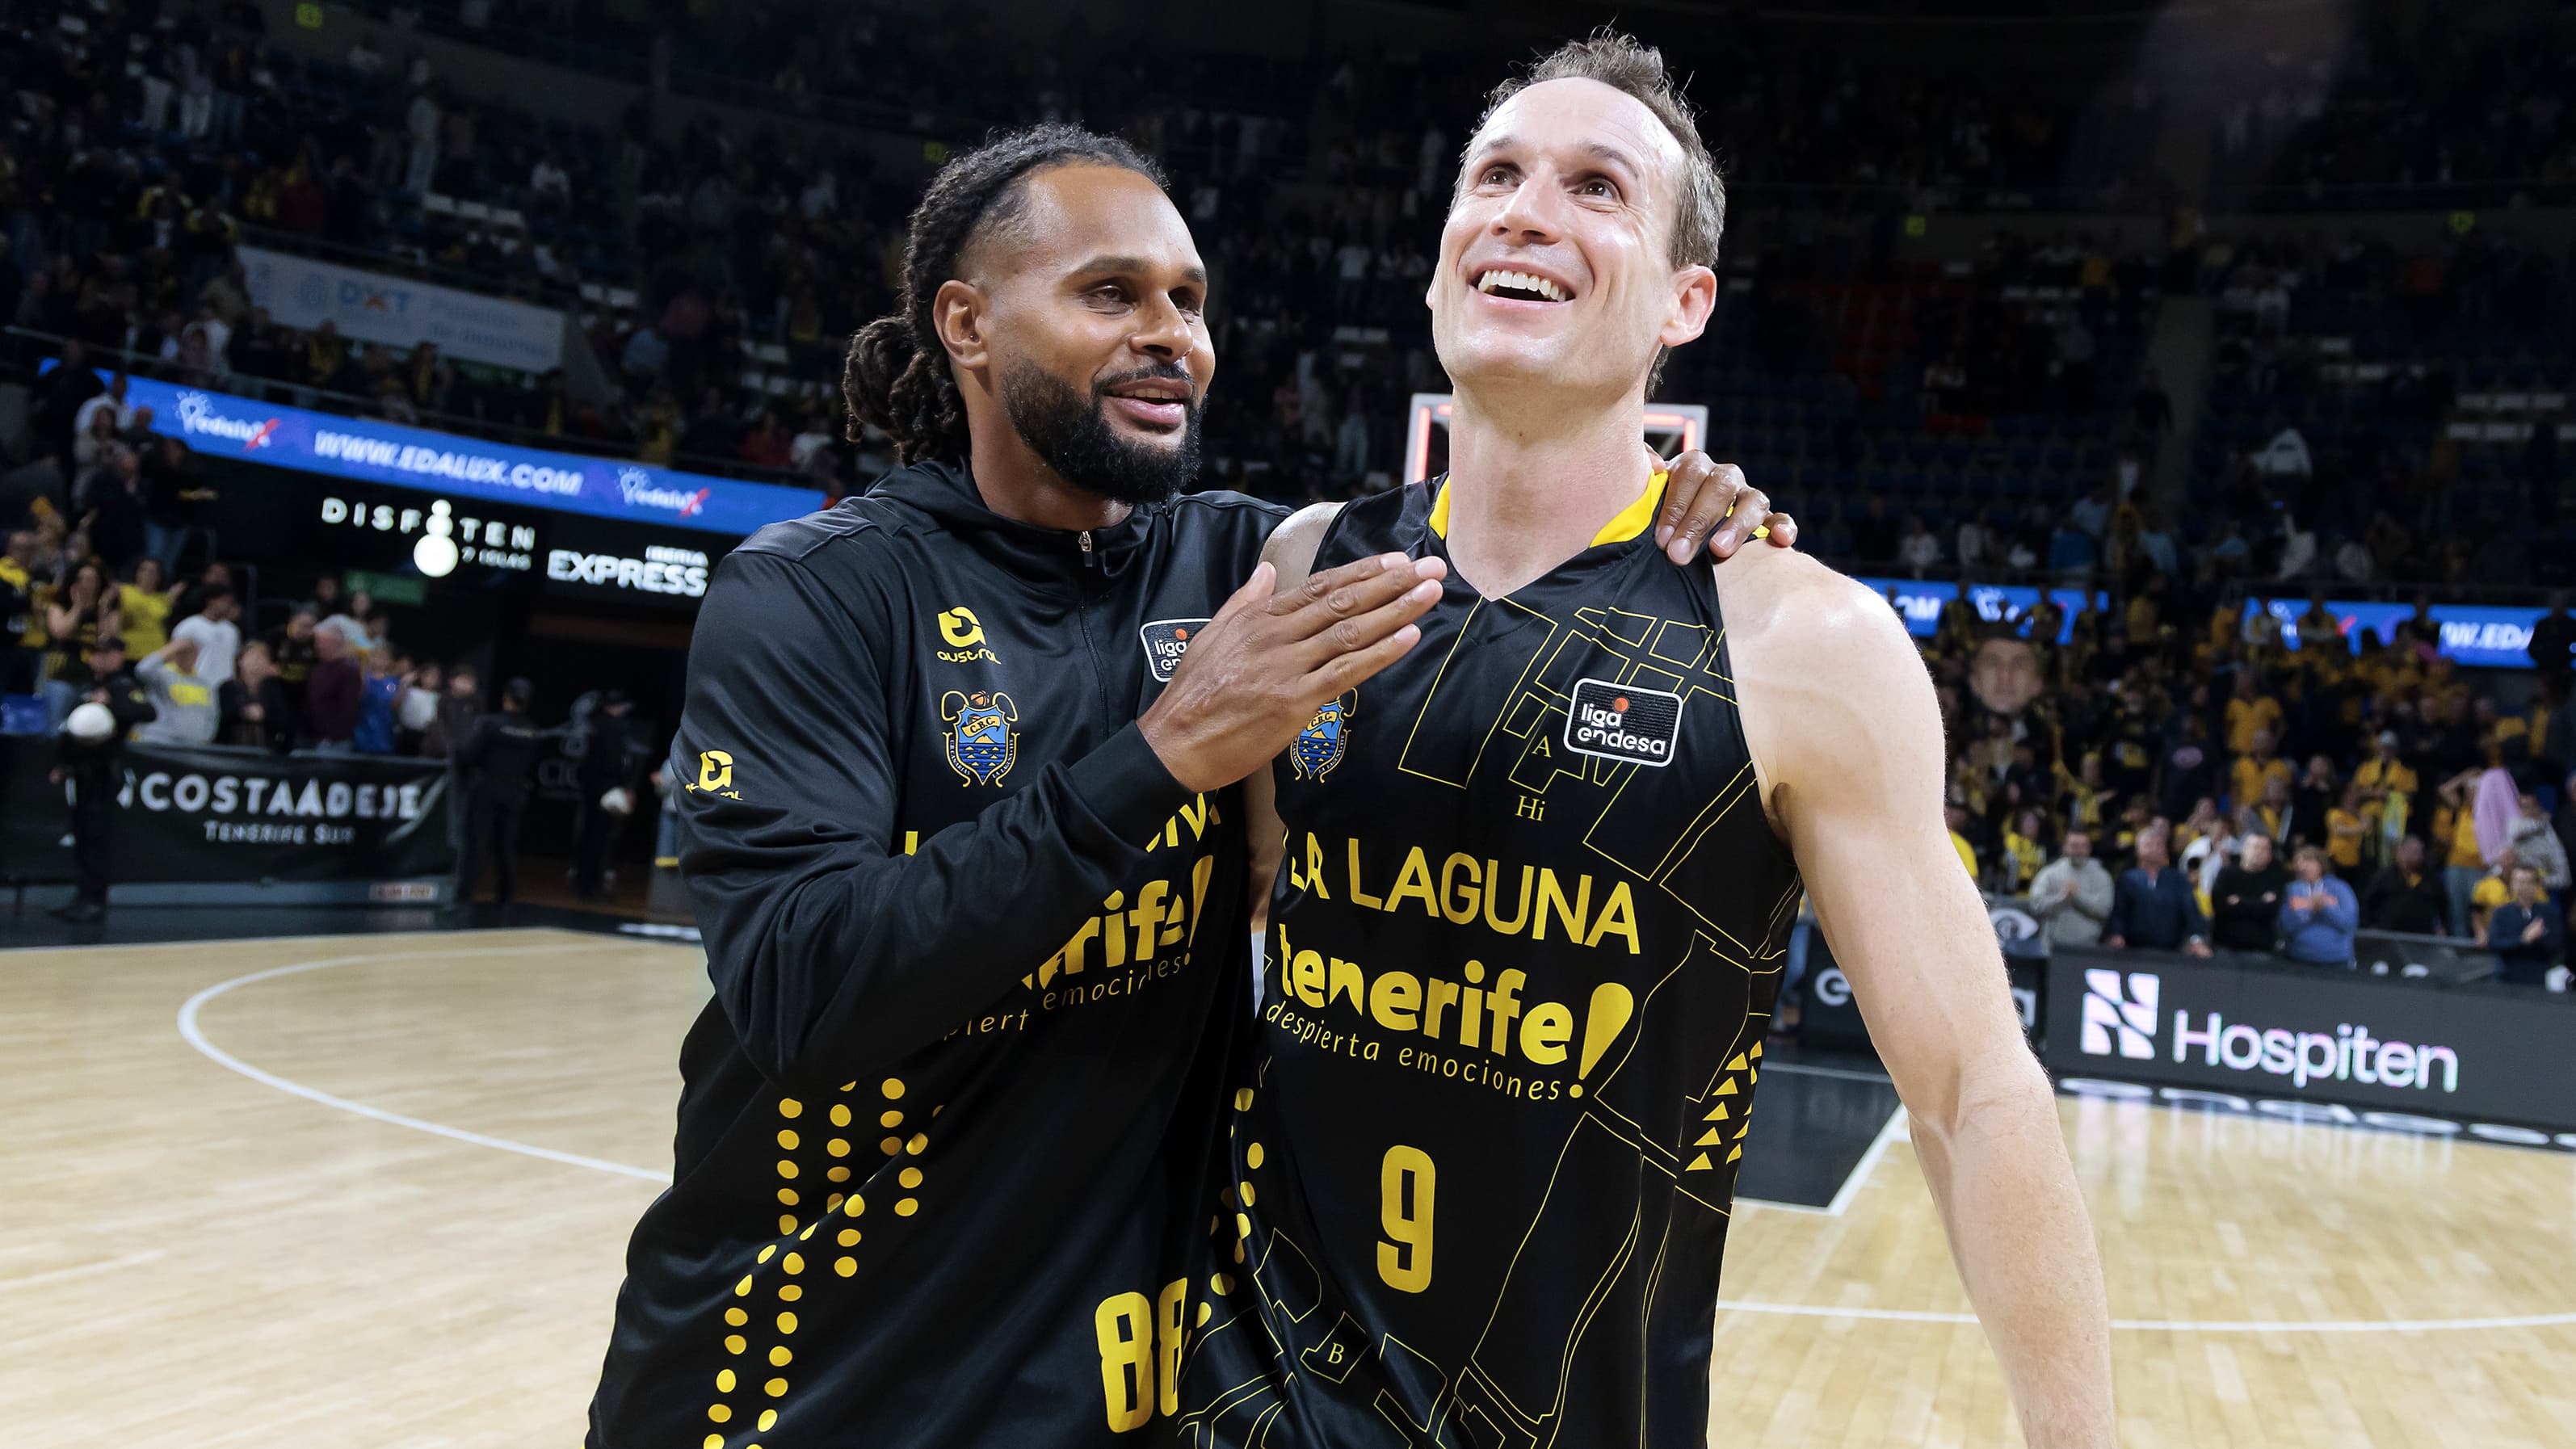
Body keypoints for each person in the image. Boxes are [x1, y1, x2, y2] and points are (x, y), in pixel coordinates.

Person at [583, 121, 1782, 1449]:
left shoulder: (1250, 569)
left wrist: (1680, 508)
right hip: (807, 1380)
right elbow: (800, 990)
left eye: (1188, 301)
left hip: (1122, 1395)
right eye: (1111, 294)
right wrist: (1158, 757)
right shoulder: (813, 593)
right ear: (967, 324)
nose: (1172, 337)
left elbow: (1516, 542)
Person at [1179, 40, 2110, 1449]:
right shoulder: (1306, 569)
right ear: (1436, 264)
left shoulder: (1805, 640)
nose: (1526, 211)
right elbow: (1233, 907)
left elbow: (1971, 1090)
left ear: (1686, 301)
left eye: (1595, 187)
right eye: (1495, 176)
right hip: (1248, 1407)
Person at [46, 635, 156, 922]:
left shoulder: (123, 686)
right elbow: (71, 728)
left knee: (97, 837)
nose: (100, 658)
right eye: (96, 653)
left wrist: (112, 705)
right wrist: (61, 763)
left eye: (106, 653)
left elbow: (147, 711)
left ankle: (95, 899)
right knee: (82, 835)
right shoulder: (88, 686)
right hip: (80, 772)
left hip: (103, 772)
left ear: (119, 656)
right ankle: (82, 897)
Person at [452, 677, 546, 910]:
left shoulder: (490, 724)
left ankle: (464, 897)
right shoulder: (532, 730)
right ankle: (506, 897)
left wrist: (463, 768)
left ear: (505, 698)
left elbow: (469, 754)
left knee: (477, 844)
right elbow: (534, 764)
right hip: (515, 792)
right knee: (507, 846)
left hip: (487, 789)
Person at [569, 690, 642, 900]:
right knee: (600, 838)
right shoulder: (616, 727)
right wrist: (626, 785)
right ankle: (591, 886)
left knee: (588, 835)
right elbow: (618, 761)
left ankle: (582, 883)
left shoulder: (595, 724)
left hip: (591, 788)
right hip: (607, 788)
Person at [2105, 824, 2213, 956]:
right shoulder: (2128, 879)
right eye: (2149, 844)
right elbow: (2119, 912)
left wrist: (2197, 939)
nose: (2155, 849)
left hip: (2170, 951)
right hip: (2132, 951)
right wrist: (2116, 934)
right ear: (2138, 849)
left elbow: (2191, 911)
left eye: (2159, 845)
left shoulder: (2178, 879)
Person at [2479, 863, 2564, 985]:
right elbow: (2495, 943)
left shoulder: (2549, 913)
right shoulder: (2501, 913)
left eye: (2527, 882)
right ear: (2512, 884)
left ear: (2536, 885)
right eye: (2518, 882)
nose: (2522, 887)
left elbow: (2557, 944)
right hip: (2507, 977)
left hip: (2539, 977)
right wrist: (2522, 940)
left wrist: (2536, 939)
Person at [2029, 829, 2115, 947]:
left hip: (2089, 947)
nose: (2079, 851)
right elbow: (2035, 905)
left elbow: (2104, 909)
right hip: (2052, 946)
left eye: (2083, 846)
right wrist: (2062, 899)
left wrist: (2077, 897)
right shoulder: (2049, 873)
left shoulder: (2102, 876)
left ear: (2089, 849)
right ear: (2065, 847)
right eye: (2074, 846)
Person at [2278, 845, 2359, 966]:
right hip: (2299, 958)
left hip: (2337, 960)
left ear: (2321, 864)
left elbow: (2350, 923)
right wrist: (2309, 911)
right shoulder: (2292, 889)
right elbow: (2285, 926)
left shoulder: (2340, 888)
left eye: (2308, 860)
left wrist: (2325, 907)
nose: (2302, 866)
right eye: (2298, 862)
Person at [2208, 830, 2288, 953]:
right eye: (2255, 847)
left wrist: (2239, 901)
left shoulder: (2276, 877)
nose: (2259, 852)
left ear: (2270, 855)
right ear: (2244, 849)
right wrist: (2260, 902)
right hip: (2224, 945)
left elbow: (2272, 910)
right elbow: (2219, 907)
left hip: (2260, 948)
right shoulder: (2227, 874)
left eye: (2265, 849)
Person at [132, 637, 220, 745]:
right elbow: (142, 669)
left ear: (197, 655)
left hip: (193, 744)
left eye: (190, 652)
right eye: (181, 652)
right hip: (160, 741)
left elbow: (212, 716)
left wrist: (206, 738)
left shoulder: (204, 684)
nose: (186, 656)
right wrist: (173, 647)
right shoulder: (162, 675)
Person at [2361, 835, 2448, 935]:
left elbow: (2443, 904)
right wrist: (2370, 926)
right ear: (2400, 852)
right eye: (2410, 851)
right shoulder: (2384, 877)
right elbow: (2368, 903)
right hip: (2389, 935)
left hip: (2422, 935)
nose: (2414, 856)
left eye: (2418, 852)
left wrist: (2443, 927)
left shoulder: (2430, 878)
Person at [220, 640, 295, 752]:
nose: (256, 661)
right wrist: (245, 713)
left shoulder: (275, 689)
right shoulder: (227, 688)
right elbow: (223, 716)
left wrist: (264, 716)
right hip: (231, 749)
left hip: (266, 751)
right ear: (240, 660)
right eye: (252, 656)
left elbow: (285, 722)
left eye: (261, 658)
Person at [170, 586, 241, 691]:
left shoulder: (232, 630)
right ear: (211, 601)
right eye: (224, 601)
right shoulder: (189, 626)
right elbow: (174, 657)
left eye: (230, 602)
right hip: (195, 685)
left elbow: (236, 660)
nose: (227, 605)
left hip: (225, 688)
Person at [305, 625, 362, 751]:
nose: (317, 645)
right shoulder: (316, 668)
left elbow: (350, 707)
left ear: (336, 643)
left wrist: (336, 735)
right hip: (313, 737)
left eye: (321, 641)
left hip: (334, 741)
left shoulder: (348, 671)